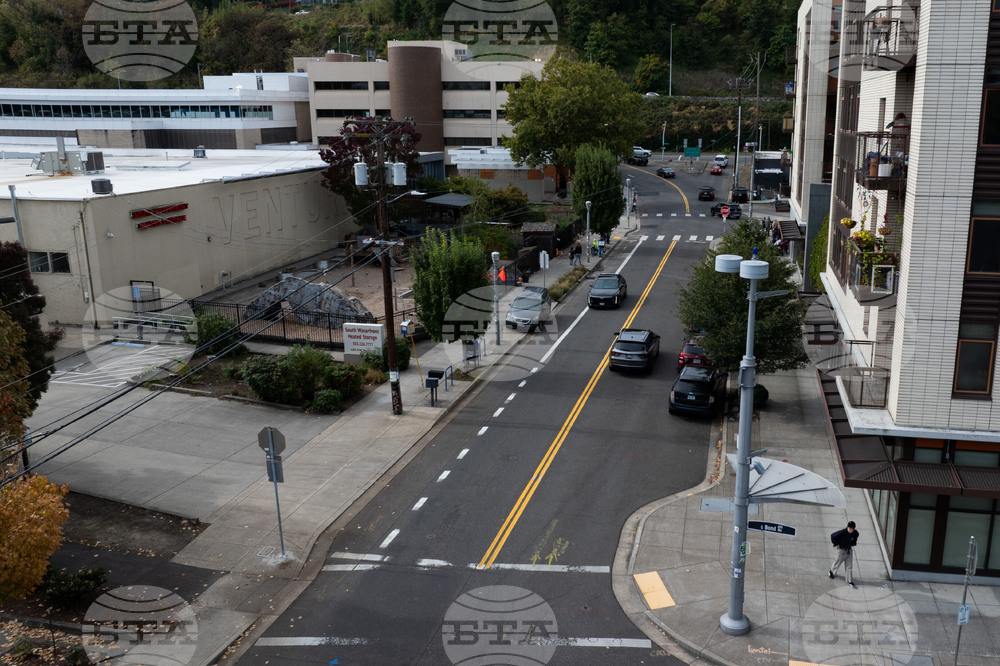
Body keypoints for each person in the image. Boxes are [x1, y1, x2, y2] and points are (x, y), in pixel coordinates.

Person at [829, 521, 859, 587]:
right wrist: (836, 544)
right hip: (841, 550)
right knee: (837, 562)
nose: (851, 530)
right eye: (850, 528)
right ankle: (832, 572)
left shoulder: (855, 533)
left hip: (849, 550)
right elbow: (832, 536)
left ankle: (849, 580)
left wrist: (853, 542)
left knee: (849, 566)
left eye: (852, 529)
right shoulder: (842, 532)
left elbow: (855, 539)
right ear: (847, 527)